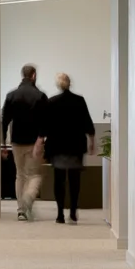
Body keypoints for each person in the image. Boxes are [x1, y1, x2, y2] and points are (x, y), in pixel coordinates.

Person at [38, 73, 96, 224]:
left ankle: (59, 214)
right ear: (70, 84)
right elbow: (87, 122)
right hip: (75, 146)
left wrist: (39, 142)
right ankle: (73, 212)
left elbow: (45, 125)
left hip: (57, 147)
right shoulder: (79, 100)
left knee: (59, 180)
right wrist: (92, 141)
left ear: (58, 85)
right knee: (74, 180)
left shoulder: (52, 102)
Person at [0, 64, 49, 222]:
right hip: (34, 142)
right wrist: (40, 139)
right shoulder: (40, 96)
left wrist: (3, 143)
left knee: (20, 175)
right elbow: (46, 121)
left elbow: (4, 121)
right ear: (33, 75)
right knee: (34, 175)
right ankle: (28, 198)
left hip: (16, 142)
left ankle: (21, 210)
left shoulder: (11, 95)